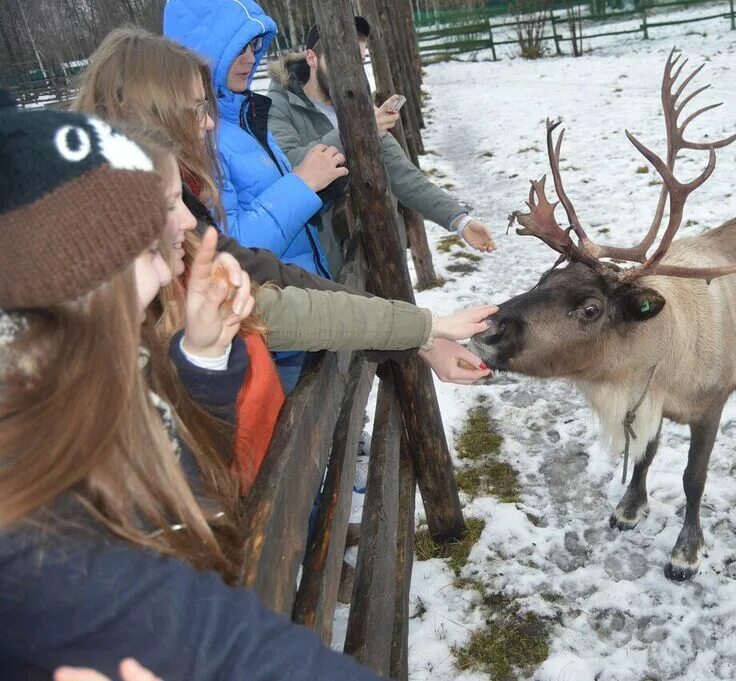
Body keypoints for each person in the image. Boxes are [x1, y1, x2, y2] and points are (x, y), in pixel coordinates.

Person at [0, 103, 383, 679]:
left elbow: (158, 479)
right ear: (66, 294)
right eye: (142, 253)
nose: (160, 273)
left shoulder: (61, 404)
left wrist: (202, 356)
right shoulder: (38, 541)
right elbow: (230, 650)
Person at [71, 28, 495, 492]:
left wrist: (422, 330)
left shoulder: (183, 214)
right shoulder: (267, 121)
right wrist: (422, 330)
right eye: (198, 108)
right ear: (153, 114)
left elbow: (269, 282)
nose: (209, 122)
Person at [163, 0, 348, 390]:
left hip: (299, 303)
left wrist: (318, 189)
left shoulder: (243, 117)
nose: (250, 57)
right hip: (271, 324)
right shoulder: (203, 138)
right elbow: (230, 246)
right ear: (205, 50)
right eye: (237, 47)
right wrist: (303, 183)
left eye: (254, 46)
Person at [268, 20, 497, 275]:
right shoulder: (278, 105)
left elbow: (402, 173)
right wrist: (358, 132)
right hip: (316, 265)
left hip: (371, 251)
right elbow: (288, 164)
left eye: (359, 60)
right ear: (311, 57)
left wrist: (459, 220)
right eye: (341, 60)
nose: (350, 70)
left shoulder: (355, 103)